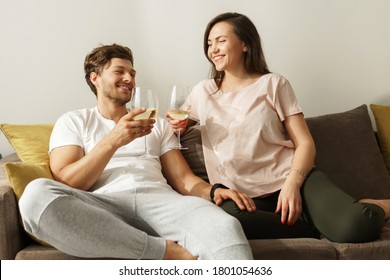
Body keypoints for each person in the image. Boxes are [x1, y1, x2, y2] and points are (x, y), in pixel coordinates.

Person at [18, 43, 255, 260]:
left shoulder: (156, 124)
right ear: (95, 78)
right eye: (119, 71)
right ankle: (162, 251)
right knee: (36, 195)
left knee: (225, 226)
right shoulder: (73, 121)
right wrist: (113, 140)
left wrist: (213, 191)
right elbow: (68, 181)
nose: (129, 78)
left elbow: (183, 179)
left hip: (162, 203)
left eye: (132, 74)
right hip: (102, 206)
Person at [168, 12, 390, 242]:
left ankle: (380, 207)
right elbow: (175, 126)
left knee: (355, 227)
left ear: (245, 43)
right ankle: (314, 226)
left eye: (221, 41)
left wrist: (293, 185)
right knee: (227, 222)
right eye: (209, 43)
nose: (213, 49)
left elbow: (304, 143)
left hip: (292, 180)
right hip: (242, 197)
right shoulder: (202, 92)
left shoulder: (273, 84)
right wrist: (178, 125)